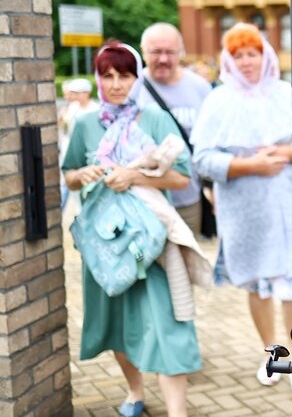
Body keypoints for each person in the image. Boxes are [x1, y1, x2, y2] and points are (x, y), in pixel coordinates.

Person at [62, 41, 202, 417]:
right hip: (105, 244)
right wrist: (82, 174)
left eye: (124, 75)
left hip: (152, 242)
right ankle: (135, 393)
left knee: (167, 326)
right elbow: (69, 176)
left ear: (136, 77)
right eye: (107, 76)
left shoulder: (155, 119)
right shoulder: (85, 124)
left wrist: (135, 176)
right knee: (115, 324)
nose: (116, 84)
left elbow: (181, 178)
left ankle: (177, 412)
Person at [191, 23, 292, 388]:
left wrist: (284, 152)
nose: (247, 62)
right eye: (238, 55)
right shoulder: (218, 100)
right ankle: (273, 354)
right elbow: (201, 159)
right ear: (228, 61)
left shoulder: (286, 92)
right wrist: (250, 165)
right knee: (257, 284)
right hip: (244, 208)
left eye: (252, 53)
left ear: (265, 55)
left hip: (287, 202)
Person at [137, 22, 212, 238]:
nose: (163, 59)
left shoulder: (200, 88)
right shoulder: (133, 88)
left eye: (170, 52)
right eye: (156, 52)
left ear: (181, 53)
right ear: (144, 52)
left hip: (187, 198)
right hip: (144, 198)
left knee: (189, 263)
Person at [58, 78, 99, 208]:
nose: (71, 96)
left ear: (86, 93)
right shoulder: (72, 107)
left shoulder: (95, 110)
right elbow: (63, 128)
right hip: (69, 154)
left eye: (75, 93)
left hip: (87, 157)